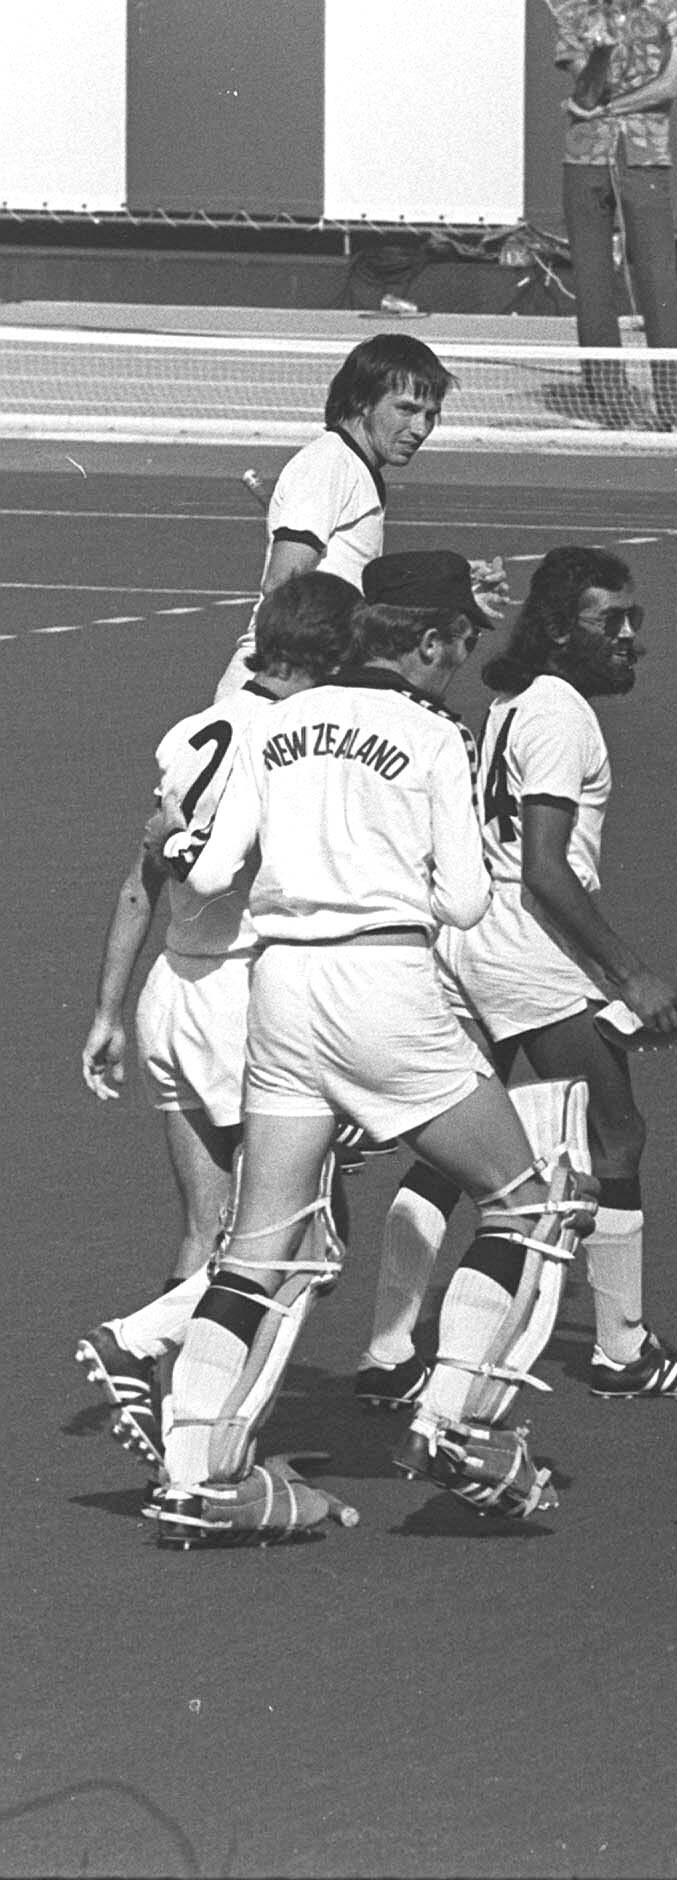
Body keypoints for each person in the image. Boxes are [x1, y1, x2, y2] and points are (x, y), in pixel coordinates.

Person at [153, 553, 597, 1543]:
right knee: (535, 1197)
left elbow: (214, 866)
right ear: (432, 641)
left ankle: (196, 1471)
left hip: (280, 990)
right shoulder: (435, 735)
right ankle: (458, 1418)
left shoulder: (272, 725)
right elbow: (470, 900)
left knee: (260, 1243)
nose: (463, 658)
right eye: (462, 642)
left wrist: (183, 847)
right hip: (383, 987)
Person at [357, 548, 677, 1409]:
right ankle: (622, 1351)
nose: (631, 638)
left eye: (635, 618)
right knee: (617, 1136)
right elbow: (547, 871)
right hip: (528, 955)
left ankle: (387, 1352)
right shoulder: (560, 714)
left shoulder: (512, 699)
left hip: (469, 944)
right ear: (565, 630)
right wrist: (630, 975)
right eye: (612, 621)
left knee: (459, 1144)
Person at [75, 573, 359, 1465]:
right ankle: (173, 1382)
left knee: (208, 1228)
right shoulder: (292, 744)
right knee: (308, 1237)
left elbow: (141, 877)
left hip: (170, 992)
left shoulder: (194, 730)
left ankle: (173, 1425)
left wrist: (107, 1013)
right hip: (243, 1002)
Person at [216, 336, 501, 699]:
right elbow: (282, 584)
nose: (420, 429)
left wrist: (447, 593)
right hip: (284, 685)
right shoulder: (328, 463)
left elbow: (349, 582)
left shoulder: (355, 467)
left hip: (310, 682)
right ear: (363, 401)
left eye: (430, 415)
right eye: (406, 409)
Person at [552, 0, 677, 429]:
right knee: (594, 279)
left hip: (644, 152)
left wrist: (607, 109)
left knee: (658, 273)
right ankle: (609, 403)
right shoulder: (575, 14)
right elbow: (585, 92)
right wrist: (601, 48)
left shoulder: (671, 4)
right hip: (585, 155)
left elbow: (672, 86)